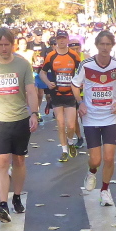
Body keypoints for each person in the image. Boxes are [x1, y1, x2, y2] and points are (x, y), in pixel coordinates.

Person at [0, 27, 39, 223]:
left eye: (7, 44)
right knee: (1, 162)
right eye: (0, 45)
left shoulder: (23, 65)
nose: (4, 48)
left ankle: (17, 196)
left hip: (20, 119)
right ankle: (3, 204)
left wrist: (34, 113)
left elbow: (30, 91)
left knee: (19, 161)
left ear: (13, 45)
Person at [71, 30, 116, 206]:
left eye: (108, 44)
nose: (105, 48)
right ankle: (92, 171)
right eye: (102, 44)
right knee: (96, 160)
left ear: (112, 46)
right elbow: (75, 85)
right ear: (97, 45)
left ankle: (105, 190)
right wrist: (80, 103)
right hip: (90, 117)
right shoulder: (86, 65)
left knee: (109, 158)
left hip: (110, 117)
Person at [40, 29, 82, 162]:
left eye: (64, 38)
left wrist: (80, 84)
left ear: (68, 39)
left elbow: (82, 71)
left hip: (70, 94)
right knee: (61, 123)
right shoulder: (51, 56)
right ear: (56, 40)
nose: (62, 41)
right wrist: (48, 83)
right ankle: (64, 150)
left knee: (71, 125)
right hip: (56, 94)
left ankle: (70, 142)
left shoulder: (74, 55)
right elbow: (42, 72)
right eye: (59, 38)